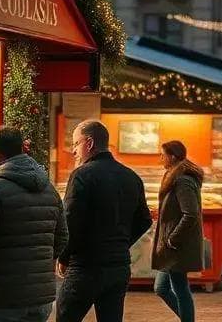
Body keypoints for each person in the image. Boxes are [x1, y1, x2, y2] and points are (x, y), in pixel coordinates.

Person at [0, 126, 67, 322]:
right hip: (40, 297)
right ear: (21, 148)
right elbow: (62, 237)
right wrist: (40, 266)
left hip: (1, 296)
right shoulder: (49, 188)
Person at [57, 120, 152, 322]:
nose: (73, 151)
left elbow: (71, 221)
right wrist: (121, 243)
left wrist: (64, 256)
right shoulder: (131, 177)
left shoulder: (82, 175)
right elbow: (145, 219)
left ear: (89, 143)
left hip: (86, 266)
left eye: (76, 144)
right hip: (119, 267)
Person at [152, 140, 205, 322]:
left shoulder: (182, 179)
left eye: (163, 155)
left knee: (178, 288)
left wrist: (172, 239)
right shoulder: (174, 175)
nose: (160, 159)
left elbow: (190, 214)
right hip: (172, 245)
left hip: (177, 245)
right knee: (163, 287)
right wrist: (161, 212)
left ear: (172, 157)